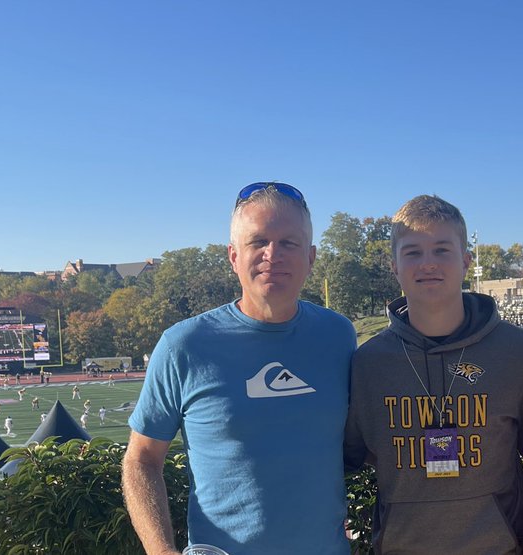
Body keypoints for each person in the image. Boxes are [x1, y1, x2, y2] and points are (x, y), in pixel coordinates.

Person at [124, 182, 356, 554]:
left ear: (311, 257)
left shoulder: (339, 335)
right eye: (258, 241)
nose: (272, 254)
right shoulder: (184, 345)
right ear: (233, 256)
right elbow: (142, 458)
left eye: (289, 243)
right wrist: (160, 550)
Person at [343, 194, 523, 553]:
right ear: (394, 265)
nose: (428, 264)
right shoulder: (369, 362)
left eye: (441, 249)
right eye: (413, 252)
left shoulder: (513, 350)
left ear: (466, 261)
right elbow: (353, 454)